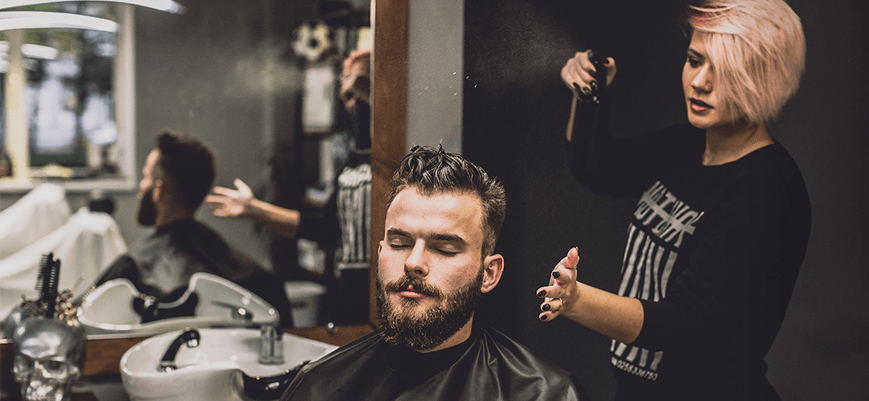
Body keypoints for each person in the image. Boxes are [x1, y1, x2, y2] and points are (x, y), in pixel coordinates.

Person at [537, 0, 811, 400]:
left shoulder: (768, 189)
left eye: (725, 70)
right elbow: (596, 167)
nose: (700, 82)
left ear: (764, 80)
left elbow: (686, 323)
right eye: (694, 60)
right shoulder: (688, 144)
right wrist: (588, 93)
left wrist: (576, 300)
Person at [281, 145, 583, 401]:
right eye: (400, 243)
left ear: (489, 273)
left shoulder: (541, 394)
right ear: (380, 254)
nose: (413, 262)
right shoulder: (318, 387)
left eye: (444, 249)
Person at [206, 48, 372, 324]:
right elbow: (324, 228)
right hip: (348, 300)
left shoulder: (400, 146)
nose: (349, 98)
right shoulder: (353, 157)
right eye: (346, 86)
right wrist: (253, 209)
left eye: (357, 84)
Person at [94, 131, 294, 328]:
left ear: (159, 190)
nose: (141, 186)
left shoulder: (131, 266)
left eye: (146, 176)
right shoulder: (254, 276)